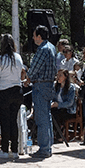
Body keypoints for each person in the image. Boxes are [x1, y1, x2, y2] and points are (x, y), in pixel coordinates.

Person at [0, 34, 25, 160]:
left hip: (3, 92)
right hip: (17, 91)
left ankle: (5, 149)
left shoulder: (1, 59)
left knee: (4, 121)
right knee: (13, 121)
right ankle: (15, 150)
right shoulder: (18, 57)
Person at [26, 25, 58, 158]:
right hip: (49, 85)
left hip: (40, 85)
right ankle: (48, 147)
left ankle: (44, 149)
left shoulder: (42, 49)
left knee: (41, 119)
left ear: (39, 37)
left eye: (34, 36)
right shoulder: (52, 47)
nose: (33, 38)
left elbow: (34, 68)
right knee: (47, 118)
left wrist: (28, 79)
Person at [51, 69, 79, 143]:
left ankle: (59, 135)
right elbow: (52, 98)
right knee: (51, 113)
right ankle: (53, 134)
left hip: (68, 110)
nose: (58, 77)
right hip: (57, 108)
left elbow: (70, 103)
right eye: (57, 75)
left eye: (60, 75)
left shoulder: (71, 88)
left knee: (58, 114)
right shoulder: (56, 86)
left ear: (65, 77)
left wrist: (58, 105)